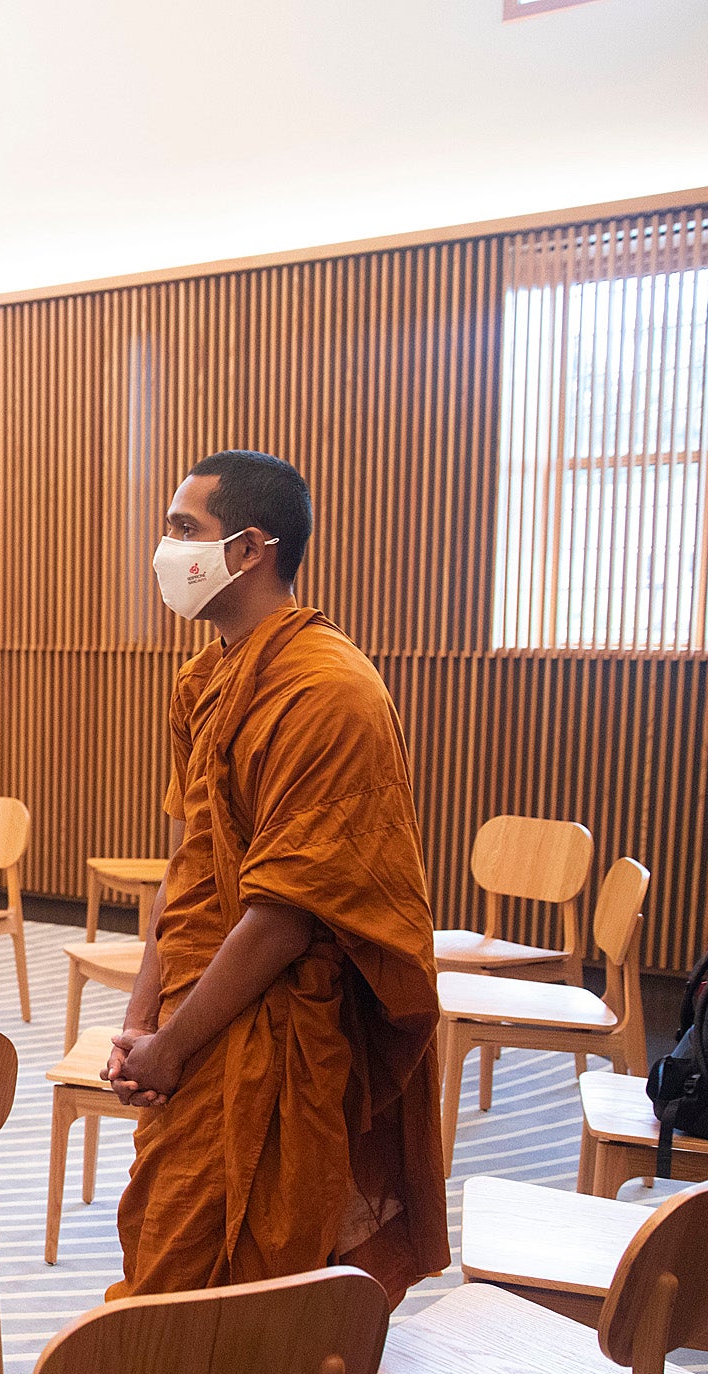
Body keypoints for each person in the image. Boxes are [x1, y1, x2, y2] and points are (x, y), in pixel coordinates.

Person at [104, 450, 448, 1305]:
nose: (165, 548)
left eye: (185, 529)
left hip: (277, 1024)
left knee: (236, 1305)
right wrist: (143, 1017)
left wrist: (174, 1049)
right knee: (165, 1258)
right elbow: (185, 871)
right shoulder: (202, 682)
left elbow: (285, 914)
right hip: (195, 1007)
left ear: (251, 547)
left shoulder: (331, 692)